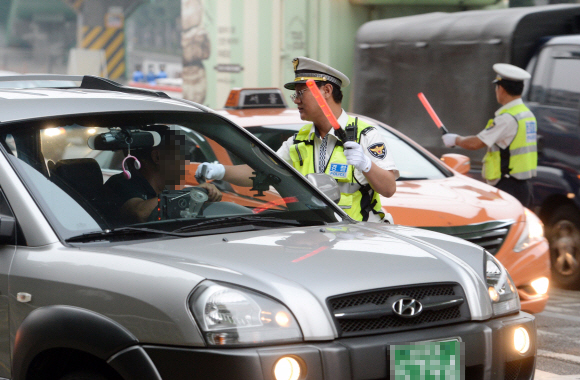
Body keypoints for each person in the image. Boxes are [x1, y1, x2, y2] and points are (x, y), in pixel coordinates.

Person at [196, 57, 399, 222]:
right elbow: (262, 171)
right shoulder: (298, 141)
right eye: (295, 94)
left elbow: (389, 189)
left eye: (302, 92)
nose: (297, 101)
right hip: (318, 236)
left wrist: (366, 165)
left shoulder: (364, 134)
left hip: (361, 237)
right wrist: (221, 171)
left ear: (326, 91)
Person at [442, 63, 537, 207]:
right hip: (524, 186)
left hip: (507, 186)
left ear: (501, 88)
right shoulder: (526, 114)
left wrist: (455, 139)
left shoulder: (507, 118)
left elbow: (476, 143)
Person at [105, 129, 221, 224]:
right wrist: (190, 194)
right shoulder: (122, 183)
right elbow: (141, 213)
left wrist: (200, 201)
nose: (186, 162)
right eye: (181, 155)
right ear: (157, 157)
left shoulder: (164, 191)